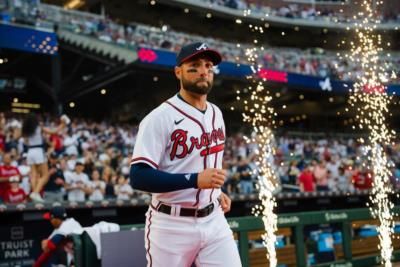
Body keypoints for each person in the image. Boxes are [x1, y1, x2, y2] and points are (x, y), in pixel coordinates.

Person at [130, 42, 242, 267]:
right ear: (178, 72)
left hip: (214, 219)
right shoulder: (159, 118)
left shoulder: (216, 113)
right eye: (195, 65)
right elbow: (138, 176)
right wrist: (195, 180)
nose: (203, 71)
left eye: (208, 66)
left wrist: (215, 191)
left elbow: (205, 161)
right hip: (171, 224)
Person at [22, 114, 69, 202]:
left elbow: (26, 141)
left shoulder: (26, 130)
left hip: (30, 151)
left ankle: (34, 193)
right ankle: (35, 193)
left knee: (34, 174)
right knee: (45, 175)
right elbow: (54, 131)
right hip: (38, 151)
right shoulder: (39, 127)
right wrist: (63, 124)